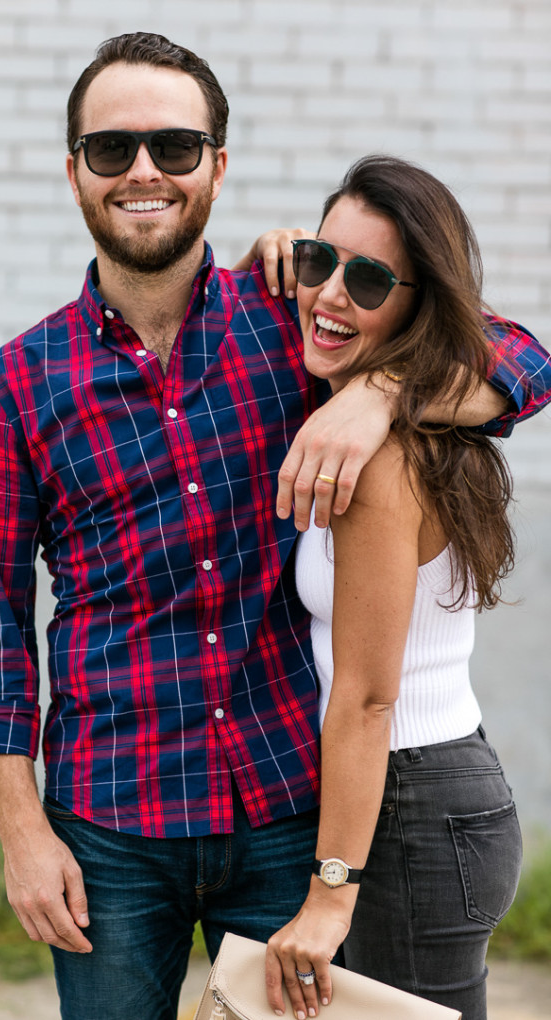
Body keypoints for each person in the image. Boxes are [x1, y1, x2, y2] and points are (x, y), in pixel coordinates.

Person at [0, 33, 551, 1020]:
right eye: (111, 150)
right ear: (73, 175)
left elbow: (520, 358)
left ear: (215, 169)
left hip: (281, 806)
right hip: (110, 823)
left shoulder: (293, 327)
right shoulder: (13, 387)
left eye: (174, 148)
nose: (143, 172)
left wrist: (381, 396)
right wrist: (23, 835)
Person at [265, 154, 531, 1020]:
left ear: (418, 304)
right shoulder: (392, 418)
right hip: (424, 796)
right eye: (319, 261)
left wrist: (331, 892)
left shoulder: (380, 460)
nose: (331, 294)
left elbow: (370, 698)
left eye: (370, 279)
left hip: (410, 808)